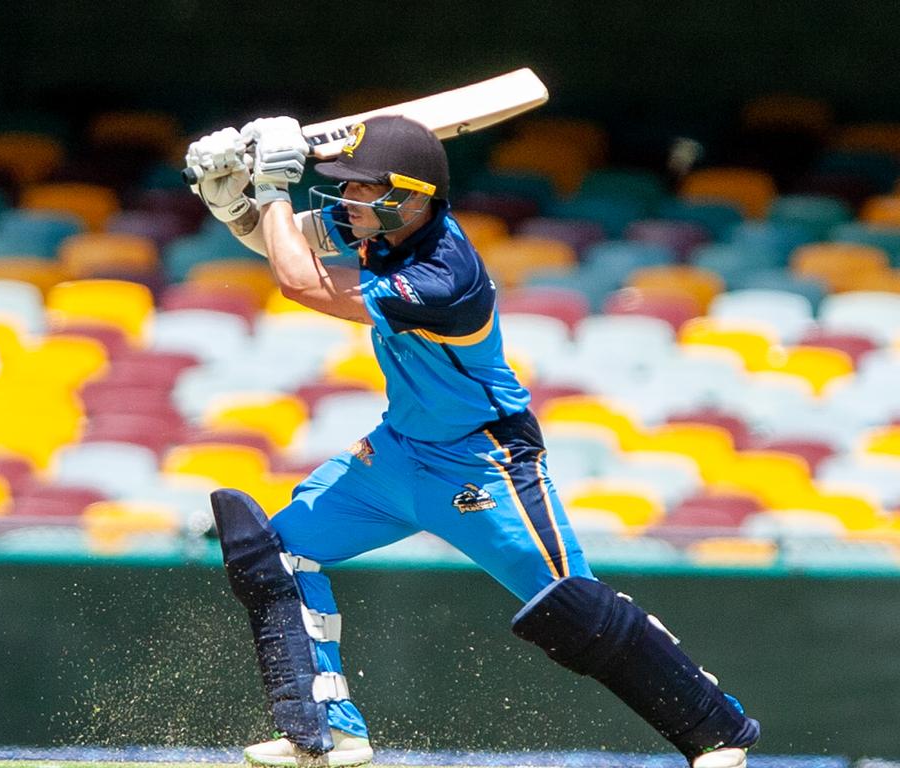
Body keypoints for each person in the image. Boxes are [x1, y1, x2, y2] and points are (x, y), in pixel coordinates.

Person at [184, 114, 760, 768]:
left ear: (410, 195)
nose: (346, 201)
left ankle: (717, 732)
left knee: (572, 605)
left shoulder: (444, 275)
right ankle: (323, 734)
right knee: (274, 552)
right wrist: (235, 202)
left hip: (483, 463)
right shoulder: (386, 222)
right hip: (396, 455)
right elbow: (286, 244)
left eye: (362, 190)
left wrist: (275, 188)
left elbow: (303, 282)